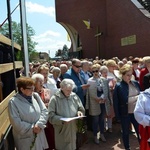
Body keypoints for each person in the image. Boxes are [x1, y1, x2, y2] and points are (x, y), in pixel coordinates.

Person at [8, 76, 48, 150]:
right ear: (22, 89)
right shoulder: (13, 102)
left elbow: (44, 111)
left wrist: (39, 124)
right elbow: (16, 123)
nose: (33, 90)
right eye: (30, 89)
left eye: (33, 88)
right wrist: (32, 128)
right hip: (25, 140)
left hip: (39, 136)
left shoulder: (35, 96)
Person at [48, 79, 85, 150]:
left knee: (74, 146)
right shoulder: (55, 99)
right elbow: (50, 116)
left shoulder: (74, 96)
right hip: (62, 130)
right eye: (68, 90)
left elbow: (81, 108)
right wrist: (61, 120)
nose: (70, 92)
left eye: (71, 90)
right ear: (61, 88)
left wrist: (80, 112)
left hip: (74, 128)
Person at [113, 64, 140, 150]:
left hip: (136, 113)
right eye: (127, 75)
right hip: (125, 113)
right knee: (125, 133)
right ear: (122, 75)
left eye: (131, 74)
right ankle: (127, 148)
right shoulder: (118, 86)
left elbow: (141, 96)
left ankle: (142, 146)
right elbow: (116, 102)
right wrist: (117, 116)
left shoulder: (135, 83)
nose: (130, 77)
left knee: (139, 132)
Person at [86, 64, 111, 144]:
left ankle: (102, 134)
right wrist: (96, 98)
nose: (95, 73)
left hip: (103, 102)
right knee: (95, 120)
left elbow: (107, 90)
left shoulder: (104, 80)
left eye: (96, 71)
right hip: (95, 103)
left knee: (102, 119)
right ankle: (95, 136)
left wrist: (105, 98)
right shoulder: (90, 80)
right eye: (93, 71)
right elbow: (89, 93)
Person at [32, 73, 55, 150]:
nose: (42, 83)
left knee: (50, 137)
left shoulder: (47, 91)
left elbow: (52, 102)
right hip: (38, 119)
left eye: (43, 81)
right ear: (34, 83)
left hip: (48, 118)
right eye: (39, 81)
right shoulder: (31, 94)